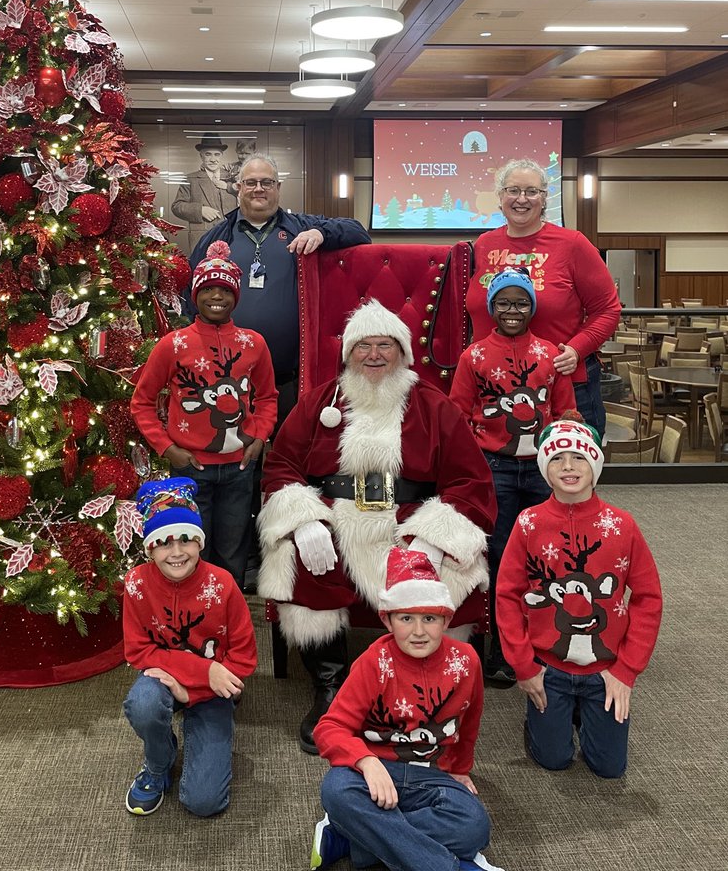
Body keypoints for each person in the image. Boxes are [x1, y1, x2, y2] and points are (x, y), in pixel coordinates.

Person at [258, 298, 496, 753]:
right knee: (301, 556)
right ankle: (330, 686)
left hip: (409, 518)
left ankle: (421, 681)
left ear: (403, 352)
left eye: (384, 345)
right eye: (362, 346)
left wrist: (432, 535)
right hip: (334, 512)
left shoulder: (433, 405)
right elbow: (282, 465)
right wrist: (304, 520)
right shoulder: (320, 401)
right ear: (347, 354)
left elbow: (471, 480)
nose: (373, 355)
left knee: (452, 563)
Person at [310, 546, 504, 871]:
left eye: (429, 618)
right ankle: (446, 866)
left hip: (430, 775)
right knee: (336, 790)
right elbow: (328, 729)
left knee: (474, 825)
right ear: (388, 620)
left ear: (446, 619)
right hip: (372, 773)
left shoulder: (466, 661)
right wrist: (367, 761)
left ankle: (353, 837)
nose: (417, 631)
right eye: (406, 618)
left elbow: (469, 722)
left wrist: (460, 768)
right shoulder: (373, 662)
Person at [496, 419, 663, 779]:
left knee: (608, 767)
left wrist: (626, 670)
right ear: (544, 467)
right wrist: (524, 667)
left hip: (605, 671)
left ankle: (582, 715)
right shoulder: (528, 523)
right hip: (548, 668)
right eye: (557, 459)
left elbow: (648, 598)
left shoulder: (622, 525)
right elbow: (507, 596)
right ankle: (550, 718)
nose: (568, 467)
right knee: (553, 759)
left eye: (579, 458)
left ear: (596, 465)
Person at [450, 266, 576, 684]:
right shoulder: (475, 356)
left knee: (546, 557)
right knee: (501, 557)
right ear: (491, 308)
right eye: (503, 302)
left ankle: (547, 642)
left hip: (544, 473)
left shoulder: (551, 354)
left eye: (521, 303)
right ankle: (502, 651)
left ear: (532, 308)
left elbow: (564, 415)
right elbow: (458, 416)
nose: (512, 310)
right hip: (495, 470)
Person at [130, 242, 277, 588]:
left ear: (235, 296)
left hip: (240, 468)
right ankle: (195, 617)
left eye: (224, 290)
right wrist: (168, 449)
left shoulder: (253, 343)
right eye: (208, 289)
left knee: (232, 548)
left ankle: (228, 611)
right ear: (195, 295)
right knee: (191, 547)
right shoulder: (172, 345)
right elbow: (142, 402)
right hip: (188, 467)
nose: (216, 297)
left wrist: (260, 437)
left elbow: (268, 396)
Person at [186, 154, 371, 423]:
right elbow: (191, 293)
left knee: (284, 455)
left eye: (266, 182)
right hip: (227, 379)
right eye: (250, 182)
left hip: (289, 378)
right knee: (237, 457)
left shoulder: (301, 227)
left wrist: (322, 234)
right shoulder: (217, 236)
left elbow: (359, 232)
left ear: (278, 188)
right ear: (238, 188)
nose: (258, 188)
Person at [121, 477, 258, 817]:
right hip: (174, 678)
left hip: (213, 692)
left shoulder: (222, 584)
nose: (177, 552)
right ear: (150, 548)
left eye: (186, 539)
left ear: (199, 542)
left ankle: (203, 727)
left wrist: (190, 692)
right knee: (143, 703)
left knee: (203, 803)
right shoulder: (137, 584)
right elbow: (138, 652)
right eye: (164, 543)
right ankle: (158, 762)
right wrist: (204, 669)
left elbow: (244, 658)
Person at [465, 157, 621, 437]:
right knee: (495, 476)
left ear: (544, 198)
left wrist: (576, 349)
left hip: (565, 385)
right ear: (500, 197)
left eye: (531, 191)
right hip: (494, 388)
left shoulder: (573, 244)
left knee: (568, 476)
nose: (521, 199)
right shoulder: (484, 245)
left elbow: (608, 309)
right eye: (513, 190)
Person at [171, 132, 237, 251]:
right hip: (202, 238)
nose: (213, 159)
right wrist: (200, 210)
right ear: (201, 156)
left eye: (217, 154)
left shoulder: (232, 178)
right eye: (208, 154)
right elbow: (177, 206)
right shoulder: (190, 179)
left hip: (230, 237)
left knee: (230, 269)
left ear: (221, 156)